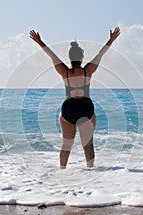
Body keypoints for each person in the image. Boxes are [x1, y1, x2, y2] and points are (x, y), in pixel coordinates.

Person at [29, 27, 120, 169]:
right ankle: (91, 170)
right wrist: (112, 39)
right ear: (82, 58)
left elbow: (51, 55)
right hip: (86, 108)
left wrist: (39, 42)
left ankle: (62, 172)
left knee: (66, 145)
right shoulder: (88, 70)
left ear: (70, 58)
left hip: (68, 109)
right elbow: (101, 53)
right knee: (88, 145)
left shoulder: (64, 71)